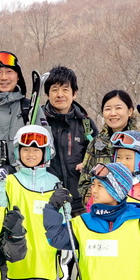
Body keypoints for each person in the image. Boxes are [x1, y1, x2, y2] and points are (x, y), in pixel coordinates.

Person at [0, 125, 65, 280]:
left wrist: (66, 243)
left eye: (36, 150)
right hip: (20, 248)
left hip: (47, 249)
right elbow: (1, 208)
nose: (30, 154)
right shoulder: (11, 181)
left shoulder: (54, 183)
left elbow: (65, 214)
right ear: (17, 152)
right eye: (25, 149)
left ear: (46, 153)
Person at [78, 90, 140, 206]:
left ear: (130, 111)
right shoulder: (97, 143)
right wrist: (96, 199)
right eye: (108, 109)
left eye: (118, 108)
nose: (113, 113)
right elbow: (85, 183)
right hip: (105, 212)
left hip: (139, 205)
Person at [40, 67, 94, 213]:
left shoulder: (85, 123)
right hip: (46, 199)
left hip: (80, 201)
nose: (60, 95)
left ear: (74, 93)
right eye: (54, 90)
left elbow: (99, 155)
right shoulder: (37, 121)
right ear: (47, 94)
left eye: (65, 89)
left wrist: (88, 164)